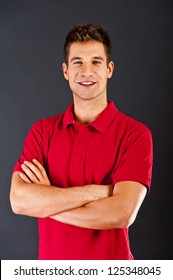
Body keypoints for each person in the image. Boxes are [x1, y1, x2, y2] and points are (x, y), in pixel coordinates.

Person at [10, 24, 153, 260]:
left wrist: (45, 201)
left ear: (109, 69)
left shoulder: (135, 134)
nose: (86, 71)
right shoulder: (42, 132)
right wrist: (95, 193)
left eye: (96, 62)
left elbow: (121, 213)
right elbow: (19, 201)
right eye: (78, 62)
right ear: (65, 71)